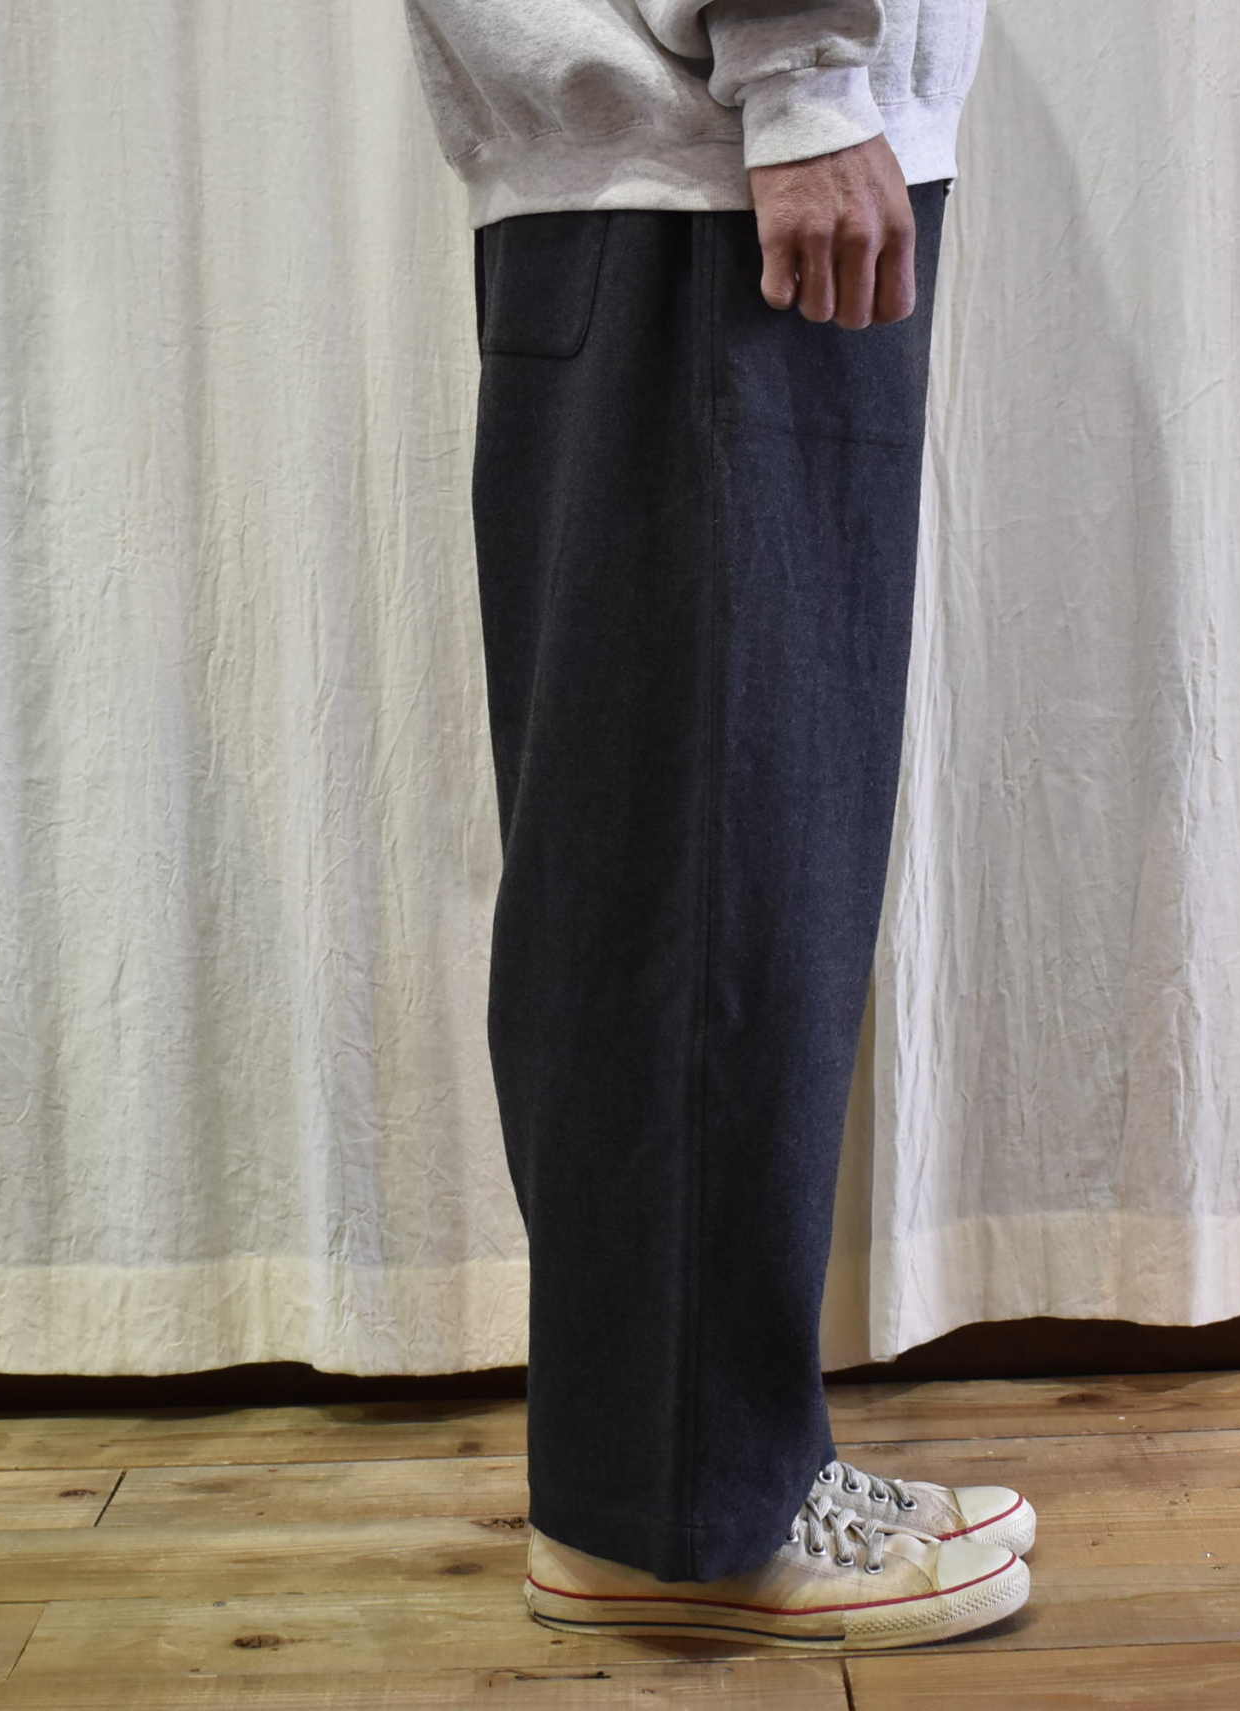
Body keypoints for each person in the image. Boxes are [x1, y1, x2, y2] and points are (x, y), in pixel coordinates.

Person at [400, 0, 1032, 1650]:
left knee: (696, 850)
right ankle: (681, 1520)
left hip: (690, 167)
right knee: (709, 881)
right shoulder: (772, 106)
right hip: (712, 169)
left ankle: (707, 1467)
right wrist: (801, 69)